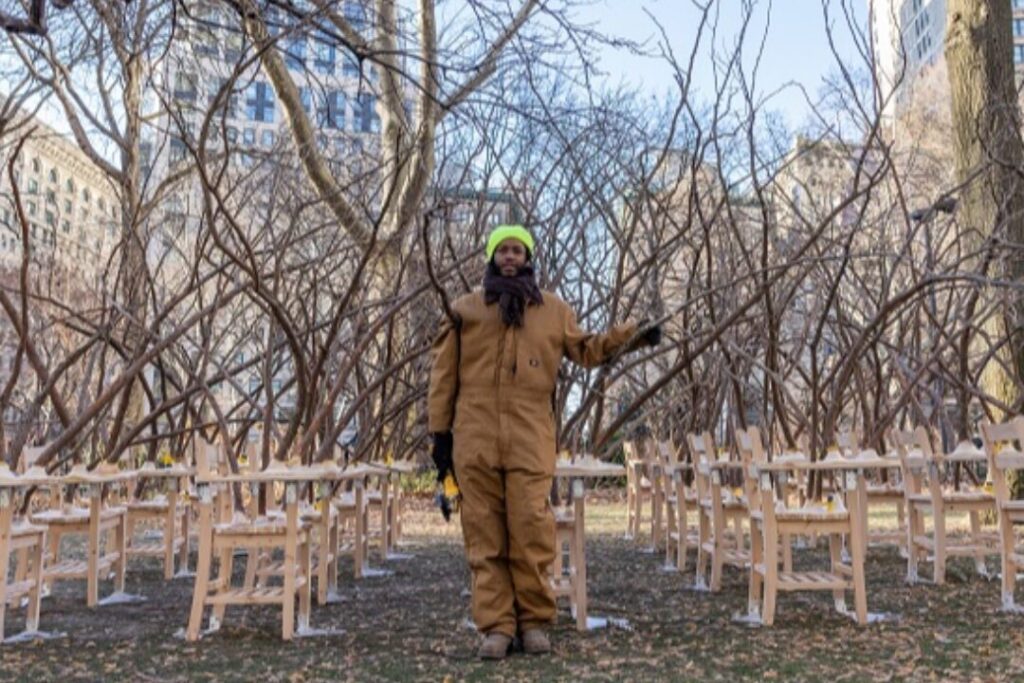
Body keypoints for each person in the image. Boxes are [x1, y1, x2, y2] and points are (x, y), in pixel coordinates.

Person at [428, 224, 662, 660]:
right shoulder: (465, 310)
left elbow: (588, 349)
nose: (511, 257)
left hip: (530, 439)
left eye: (518, 250)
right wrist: (440, 439)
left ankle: (534, 621)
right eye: (503, 251)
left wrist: (631, 336)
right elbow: (443, 377)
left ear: (529, 257)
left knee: (531, 530)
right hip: (474, 440)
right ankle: (496, 626)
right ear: (492, 257)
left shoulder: (553, 311)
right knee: (484, 535)